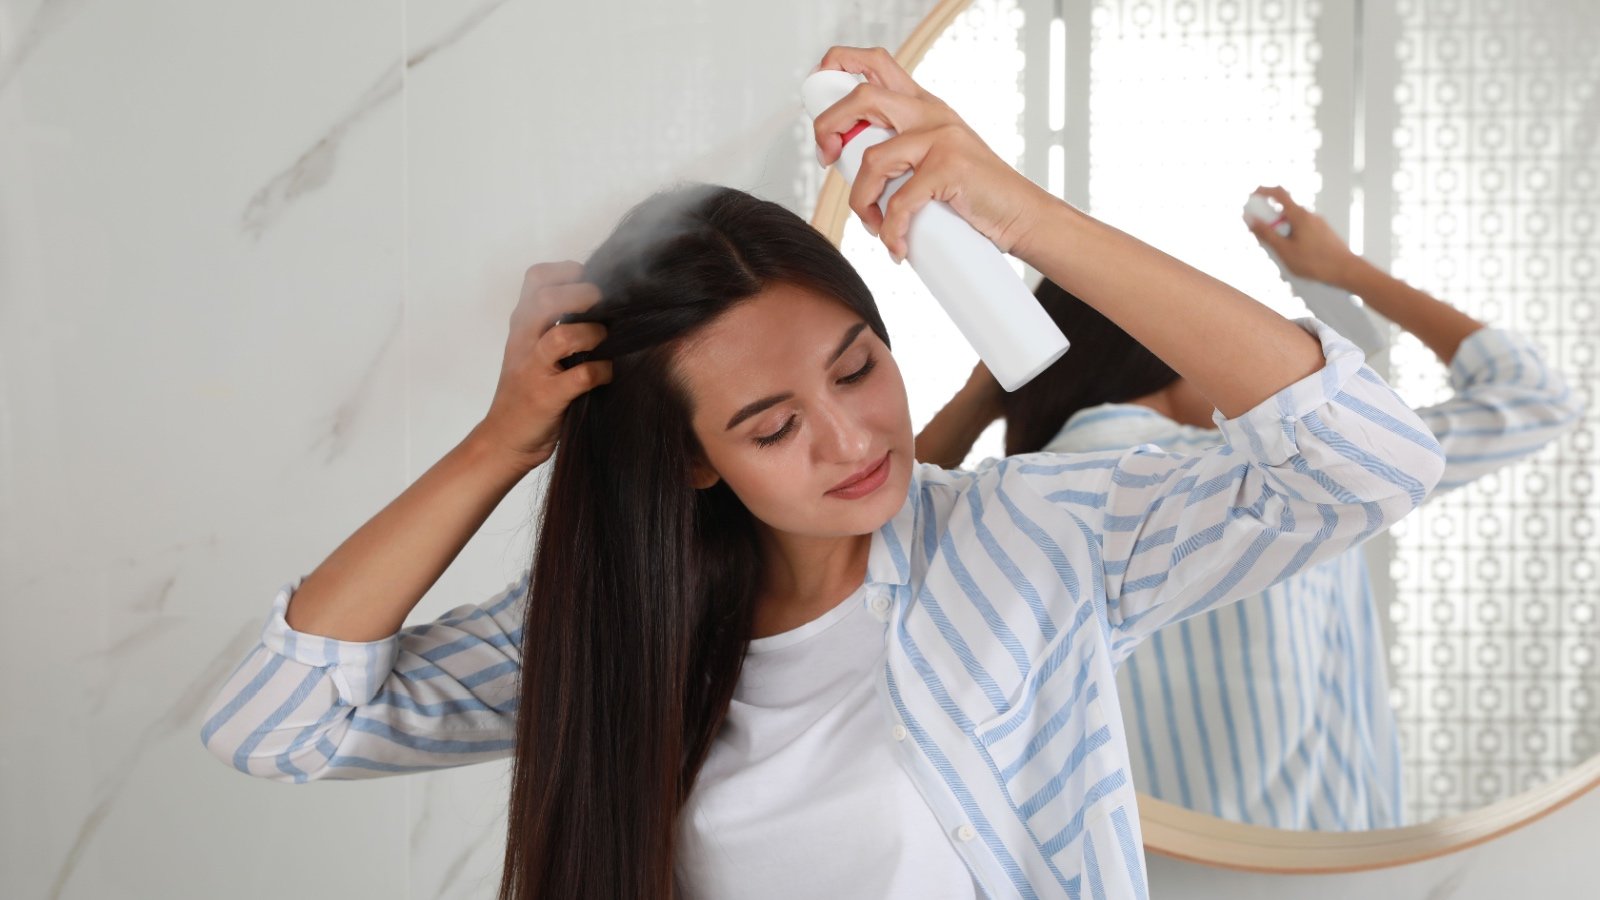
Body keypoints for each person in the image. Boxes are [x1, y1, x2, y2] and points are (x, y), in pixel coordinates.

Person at [199, 47, 1446, 899]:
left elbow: (1370, 464)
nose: (853, 439)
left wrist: (1021, 216)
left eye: (857, 370)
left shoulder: (1028, 542)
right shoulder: (616, 627)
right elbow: (278, 726)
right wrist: (505, 440)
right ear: (690, 459)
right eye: (771, 425)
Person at [917, 187, 1584, 830]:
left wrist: (990, 386)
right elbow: (1533, 398)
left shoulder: (1007, 506)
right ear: (1169, 346)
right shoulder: (1307, 464)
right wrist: (1342, 271)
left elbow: (873, 542)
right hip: (1341, 875)